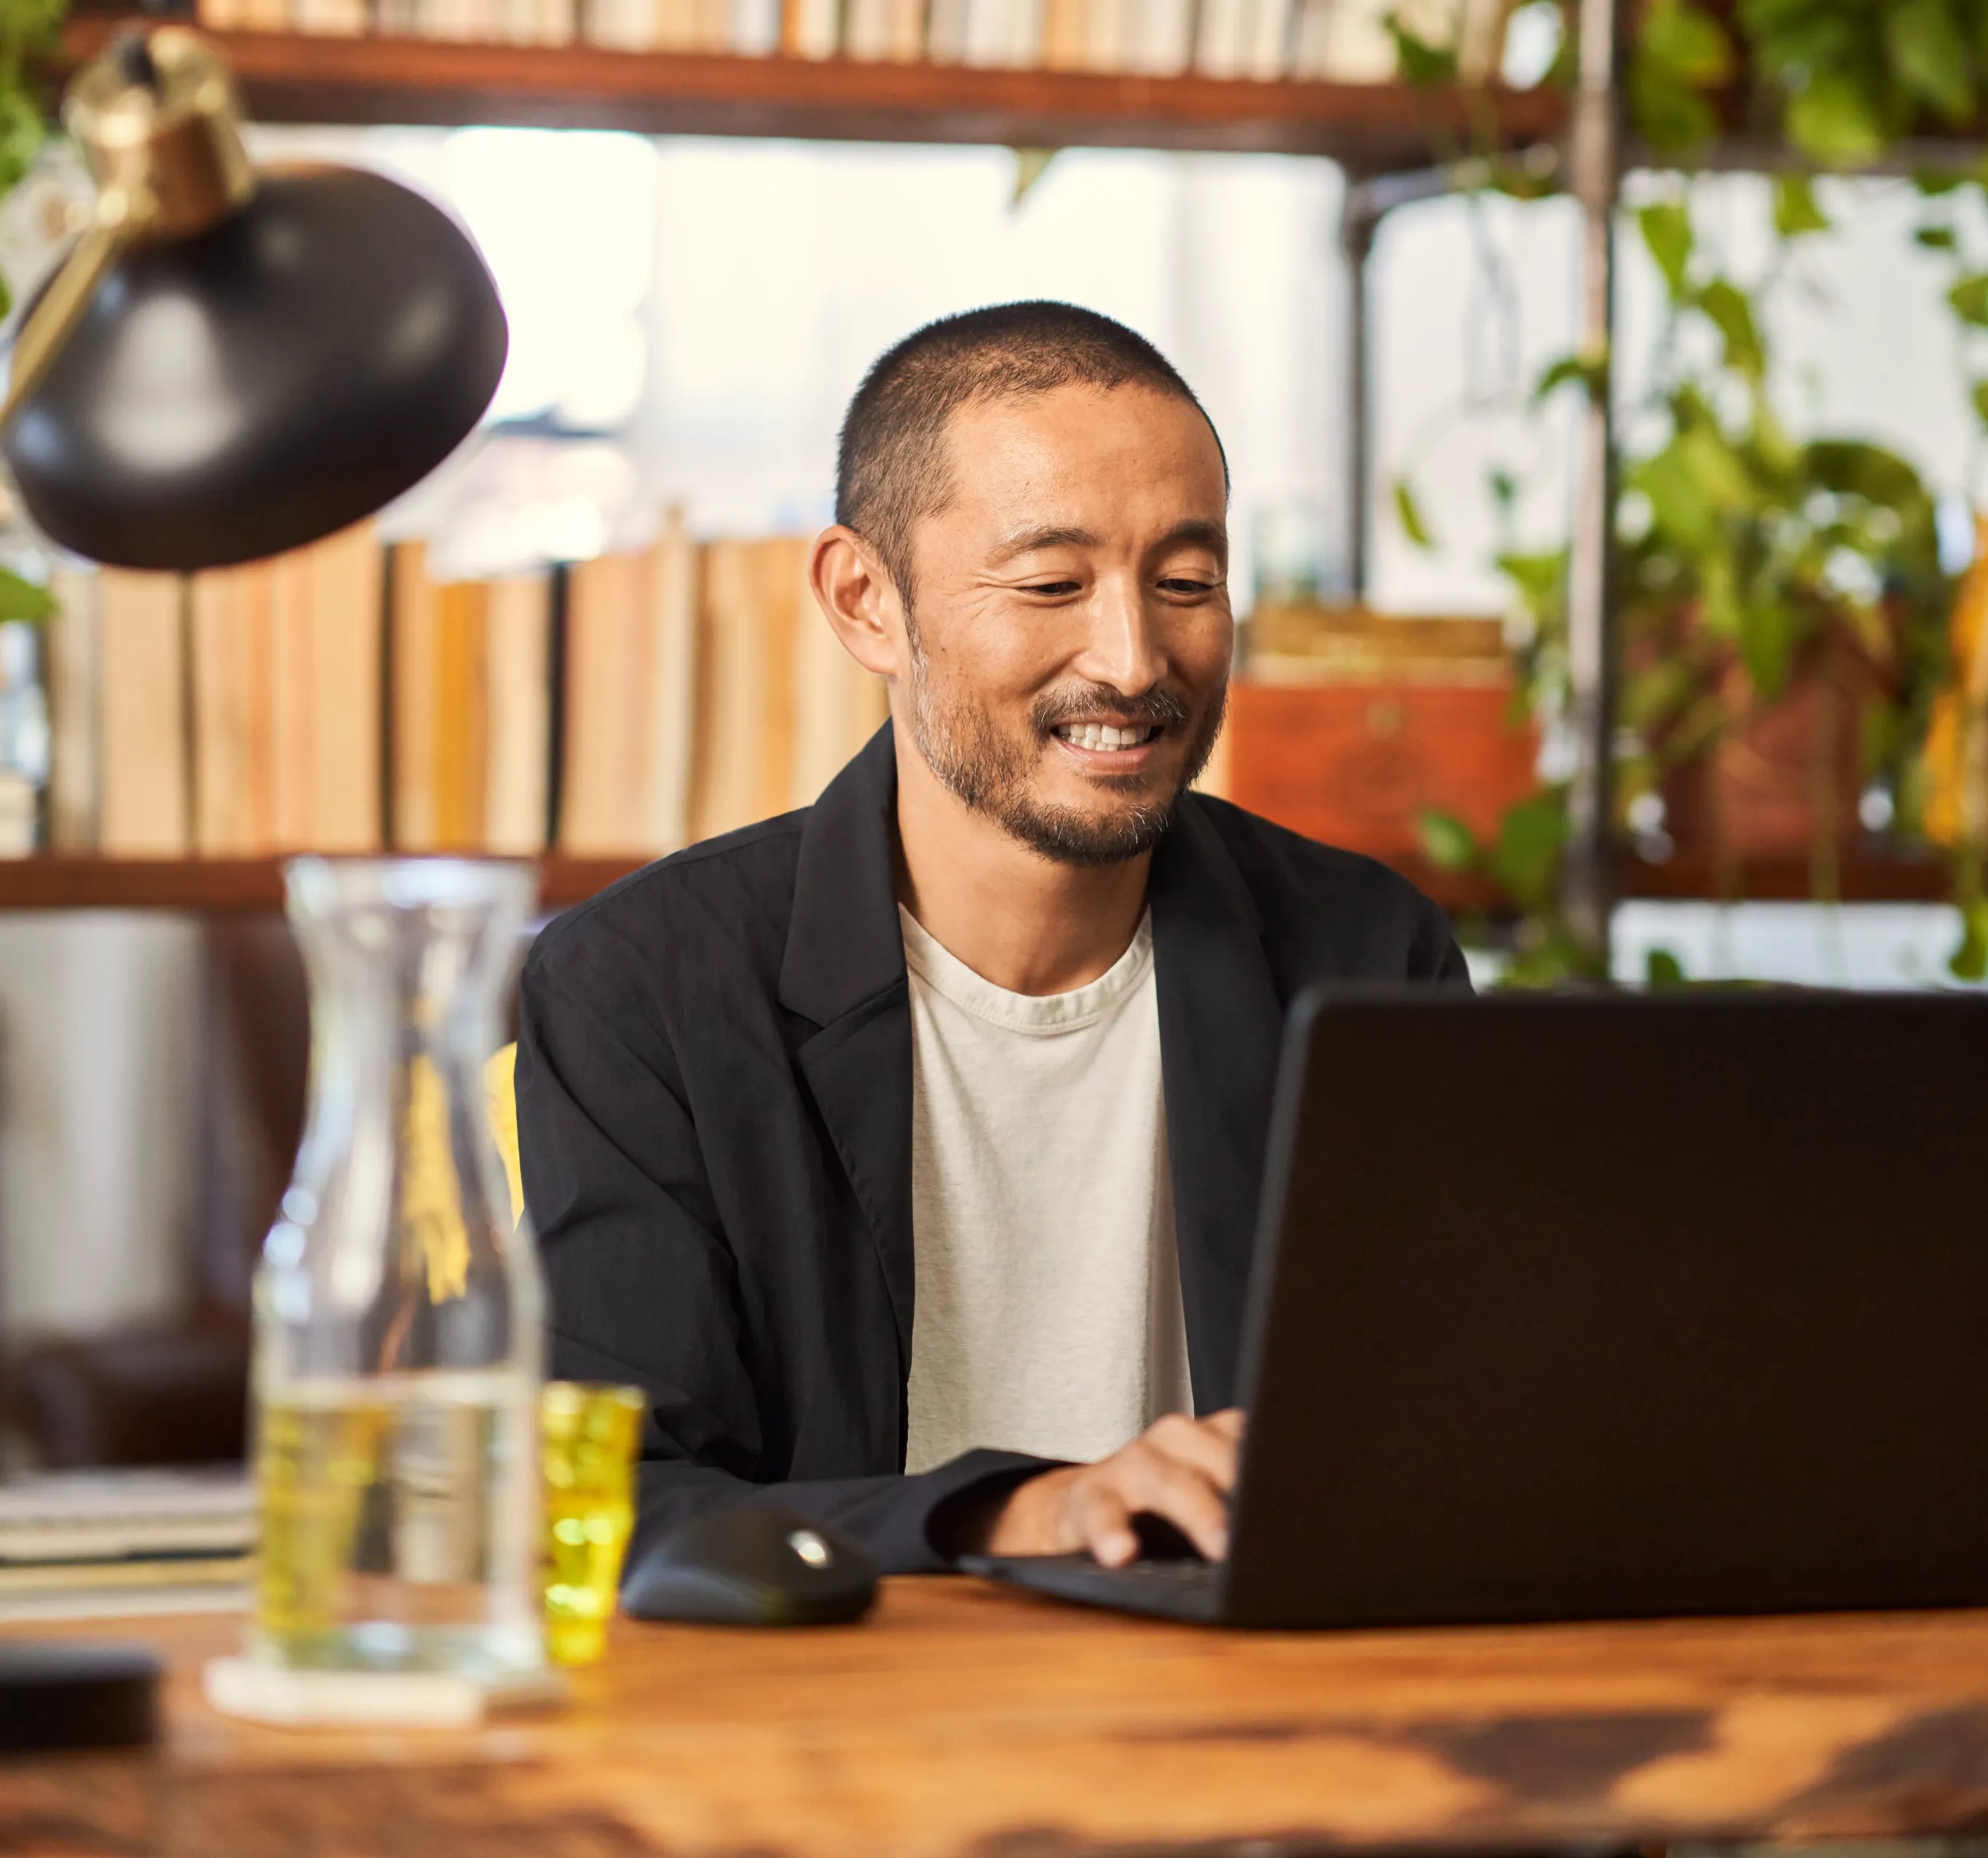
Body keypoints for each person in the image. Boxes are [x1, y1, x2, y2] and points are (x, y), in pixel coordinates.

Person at [517, 301, 1468, 1578]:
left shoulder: (1363, 953)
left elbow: (1451, 1436)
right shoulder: (645, 986)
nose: (1132, 659)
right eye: (1051, 585)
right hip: (845, 1685)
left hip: (1261, 1684)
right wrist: (1011, 1513)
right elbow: (615, 1497)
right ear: (865, 601)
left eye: (1185, 583)